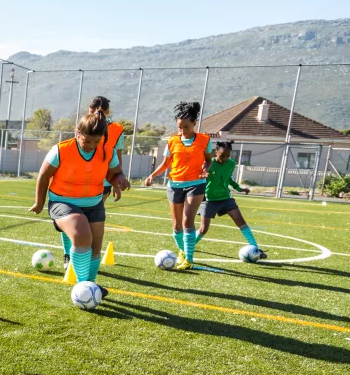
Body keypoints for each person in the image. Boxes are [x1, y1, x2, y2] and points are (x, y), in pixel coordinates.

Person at [30, 112, 130, 294]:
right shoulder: (61, 150)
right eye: (87, 141)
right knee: (82, 234)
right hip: (63, 202)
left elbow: (115, 172)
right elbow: (44, 176)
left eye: (96, 142)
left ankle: (90, 286)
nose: (92, 146)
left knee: (95, 247)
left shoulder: (108, 151)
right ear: (77, 133)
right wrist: (39, 203)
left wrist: (120, 179)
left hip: (94, 203)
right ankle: (83, 285)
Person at [144, 101, 212, 270]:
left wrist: (205, 169)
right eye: (180, 127)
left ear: (194, 124)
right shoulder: (172, 141)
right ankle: (182, 251)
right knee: (176, 224)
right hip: (174, 185)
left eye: (186, 127)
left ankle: (188, 259)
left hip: (196, 184)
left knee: (188, 221)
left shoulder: (204, 140)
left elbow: (209, 160)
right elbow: (166, 163)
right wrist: (152, 175)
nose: (182, 131)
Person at [59, 96, 125, 269]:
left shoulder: (117, 129)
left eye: (100, 112)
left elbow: (117, 156)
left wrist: (118, 179)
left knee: (90, 220)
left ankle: (85, 262)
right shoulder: (84, 125)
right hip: (77, 180)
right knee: (72, 220)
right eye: (92, 111)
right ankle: (69, 255)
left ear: (107, 112)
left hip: (102, 181)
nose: (96, 114)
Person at [195, 140, 267, 258]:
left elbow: (229, 179)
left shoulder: (231, 164)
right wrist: (202, 178)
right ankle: (189, 245)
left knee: (241, 223)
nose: (225, 158)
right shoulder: (208, 164)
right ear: (216, 152)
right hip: (209, 200)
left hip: (225, 198)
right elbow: (198, 179)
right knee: (203, 230)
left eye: (228, 156)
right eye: (222, 155)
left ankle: (256, 249)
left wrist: (239, 189)